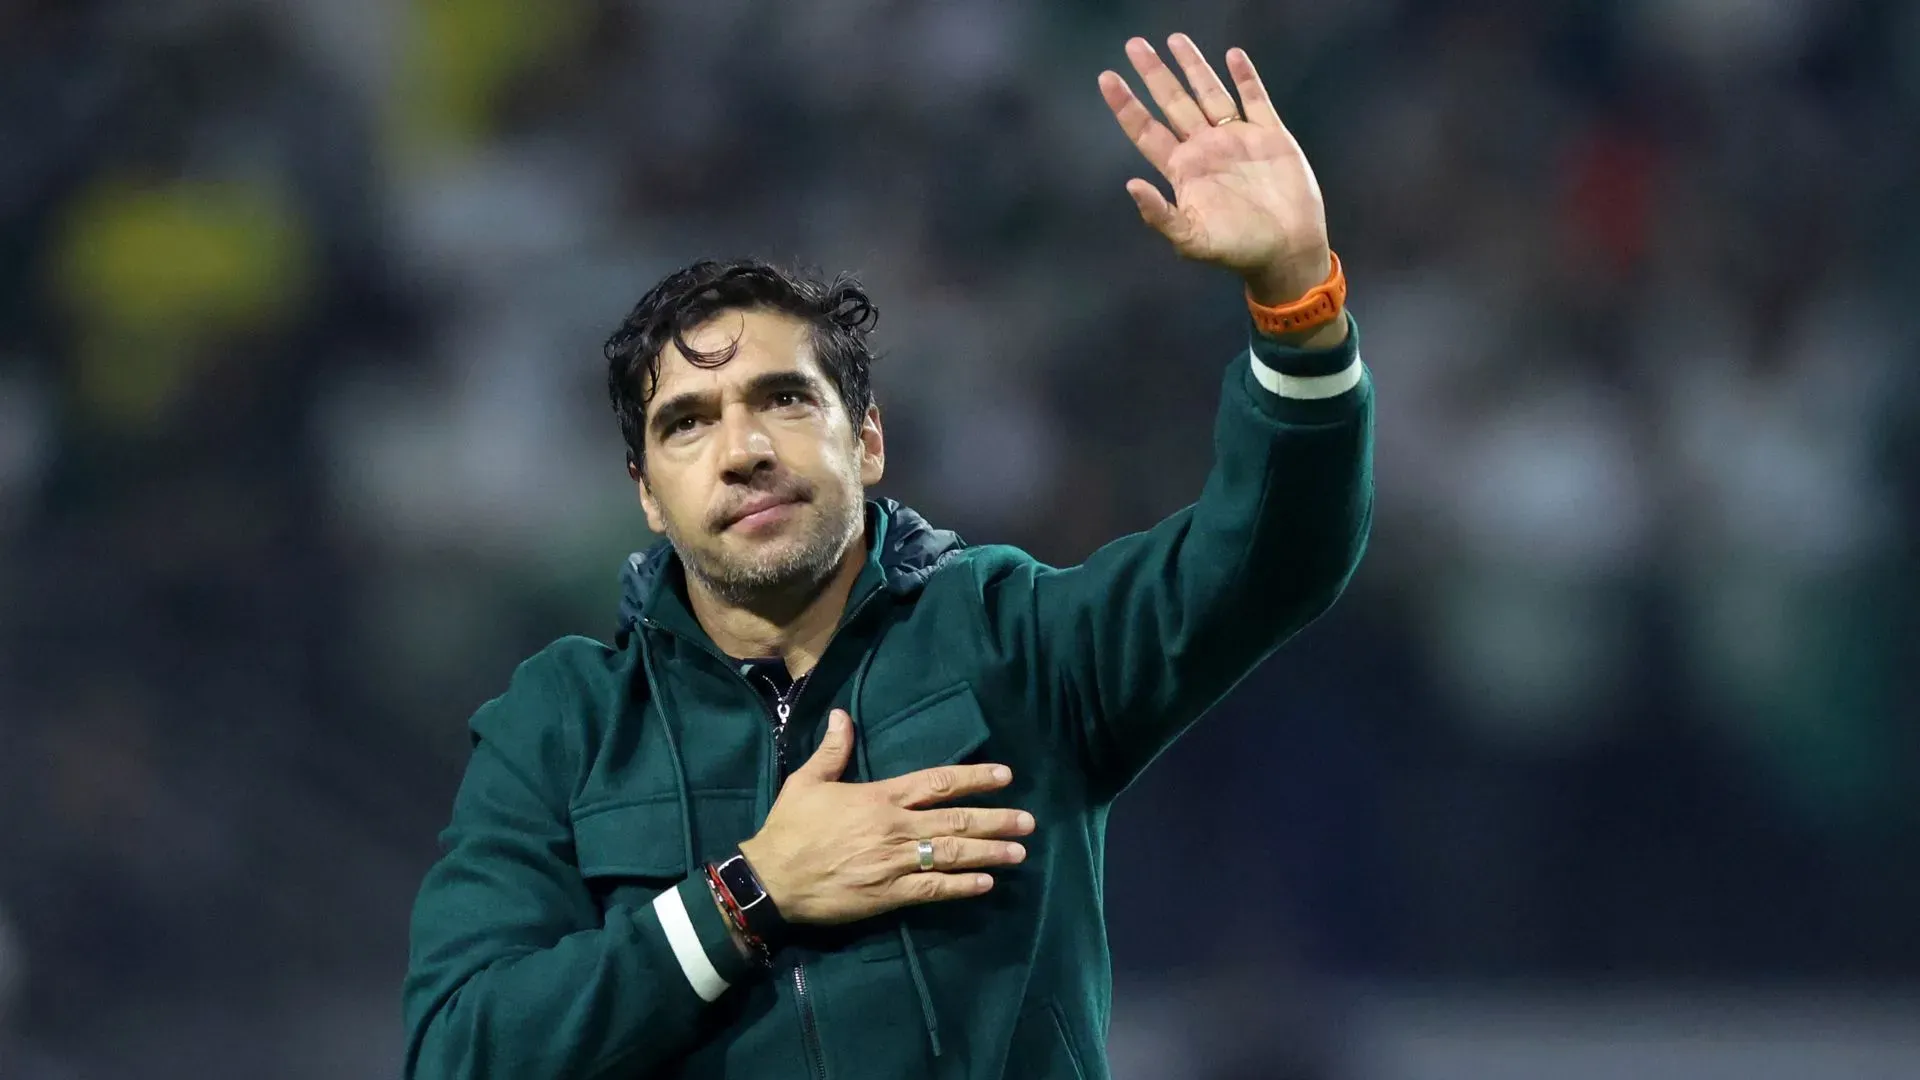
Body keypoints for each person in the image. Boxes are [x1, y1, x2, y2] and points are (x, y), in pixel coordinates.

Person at [403, 33, 1373, 1080]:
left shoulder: (1010, 636)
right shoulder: (562, 725)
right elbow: (461, 1054)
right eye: (688, 424)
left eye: (784, 399)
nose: (744, 451)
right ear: (645, 492)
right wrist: (745, 896)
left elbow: (1274, 554)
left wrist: (1297, 301)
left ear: (866, 439)